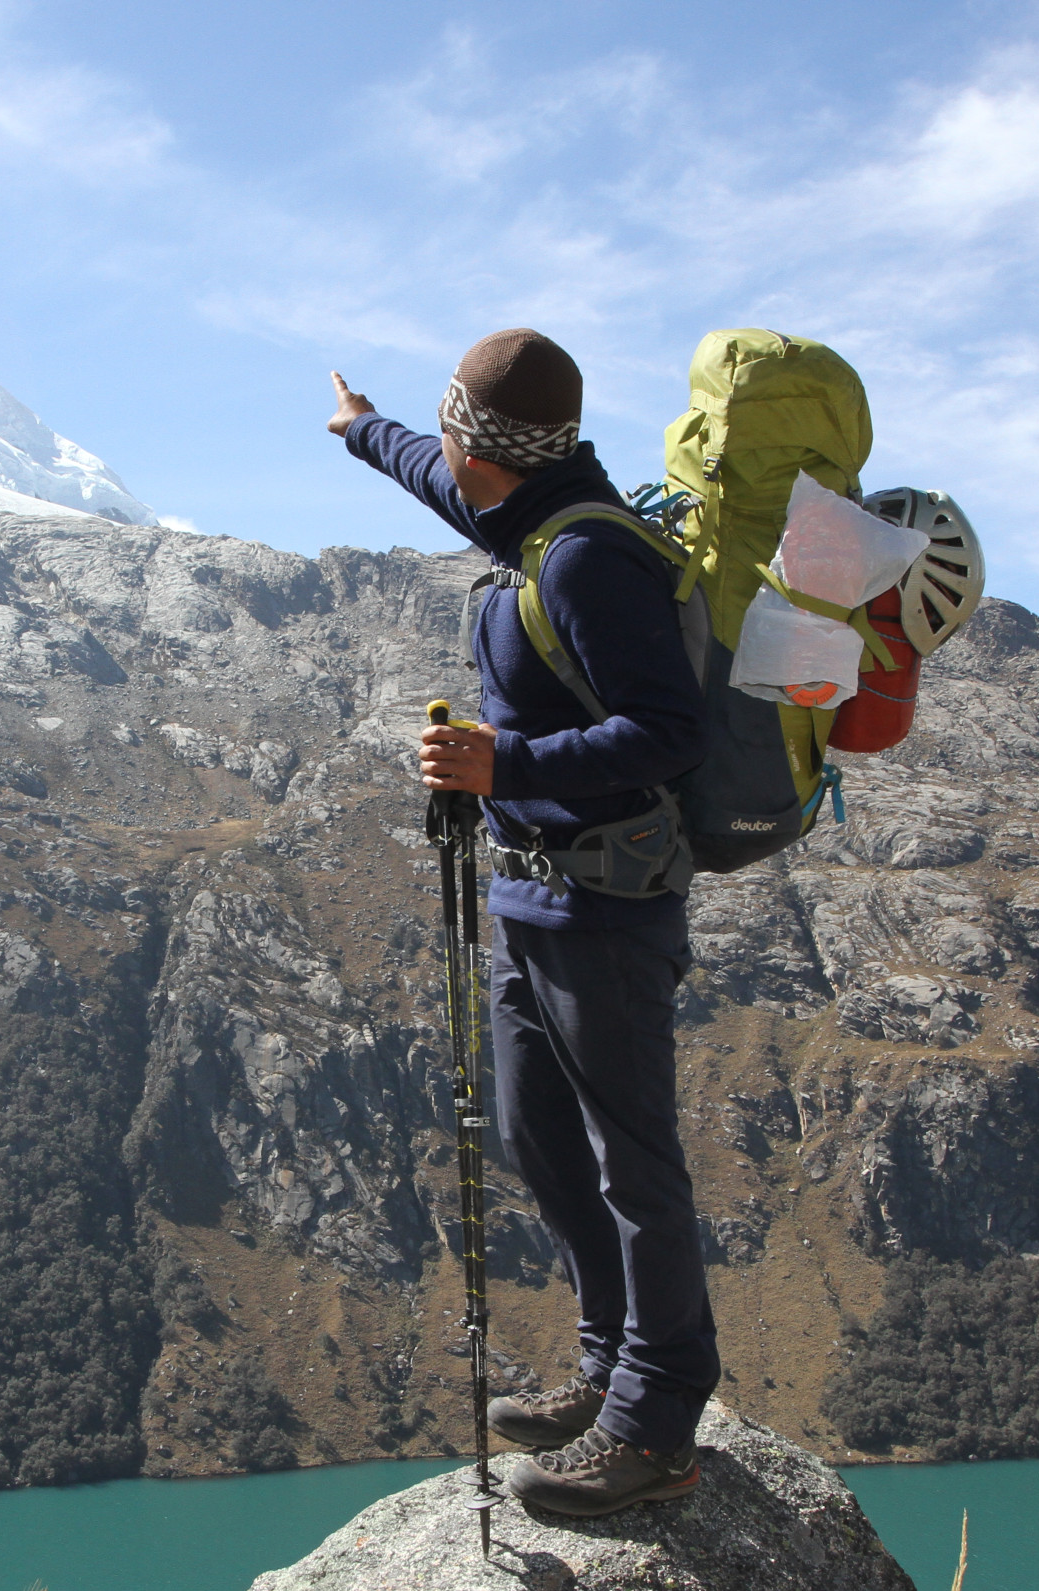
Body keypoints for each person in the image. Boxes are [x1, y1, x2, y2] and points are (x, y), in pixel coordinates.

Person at [327, 329, 718, 1517]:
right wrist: (363, 431)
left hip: (604, 902)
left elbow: (670, 731)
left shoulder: (589, 558)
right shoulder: (526, 509)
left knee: (634, 1165)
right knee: (540, 1137)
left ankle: (656, 1417)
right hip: (534, 894)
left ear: (477, 441)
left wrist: (506, 761)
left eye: (447, 436)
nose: (445, 460)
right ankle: (606, 1371)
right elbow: (447, 479)